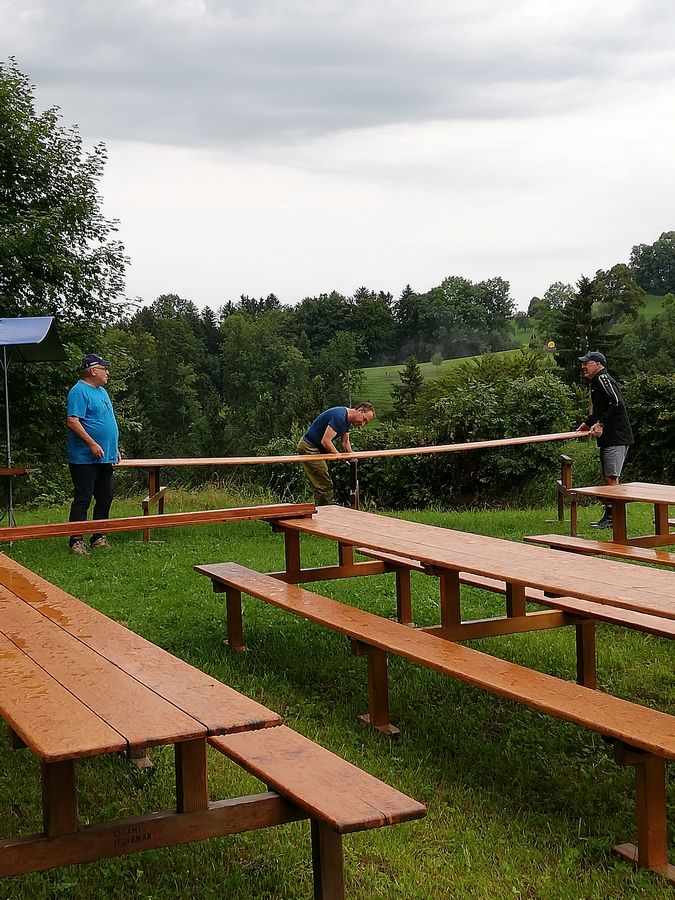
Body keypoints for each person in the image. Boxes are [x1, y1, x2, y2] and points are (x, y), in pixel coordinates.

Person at [66, 353, 120, 555]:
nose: (107, 372)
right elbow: (73, 421)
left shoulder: (102, 392)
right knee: (83, 497)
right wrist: (92, 444)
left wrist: (114, 447)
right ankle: (76, 540)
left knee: (105, 496)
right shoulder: (79, 391)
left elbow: (106, 421)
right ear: (92, 371)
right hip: (84, 457)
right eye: (104, 368)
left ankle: (98, 536)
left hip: (105, 455)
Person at [576, 350, 633, 529]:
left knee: (611, 478)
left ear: (598, 364)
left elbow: (617, 404)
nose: (583, 366)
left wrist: (600, 423)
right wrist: (588, 423)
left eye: (587, 363)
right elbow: (600, 409)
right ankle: (611, 516)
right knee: (608, 477)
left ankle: (613, 519)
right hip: (609, 438)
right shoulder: (595, 382)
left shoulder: (603, 378)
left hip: (616, 437)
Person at [297, 403, 375, 505]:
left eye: (366, 423)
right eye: (364, 419)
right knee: (324, 484)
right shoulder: (339, 416)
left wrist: (352, 456)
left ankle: (322, 508)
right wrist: (339, 457)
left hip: (317, 449)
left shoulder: (347, 420)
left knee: (322, 482)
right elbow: (326, 441)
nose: (362, 424)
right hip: (309, 448)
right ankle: (323, 510)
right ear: (359, 410)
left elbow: (345, 442)